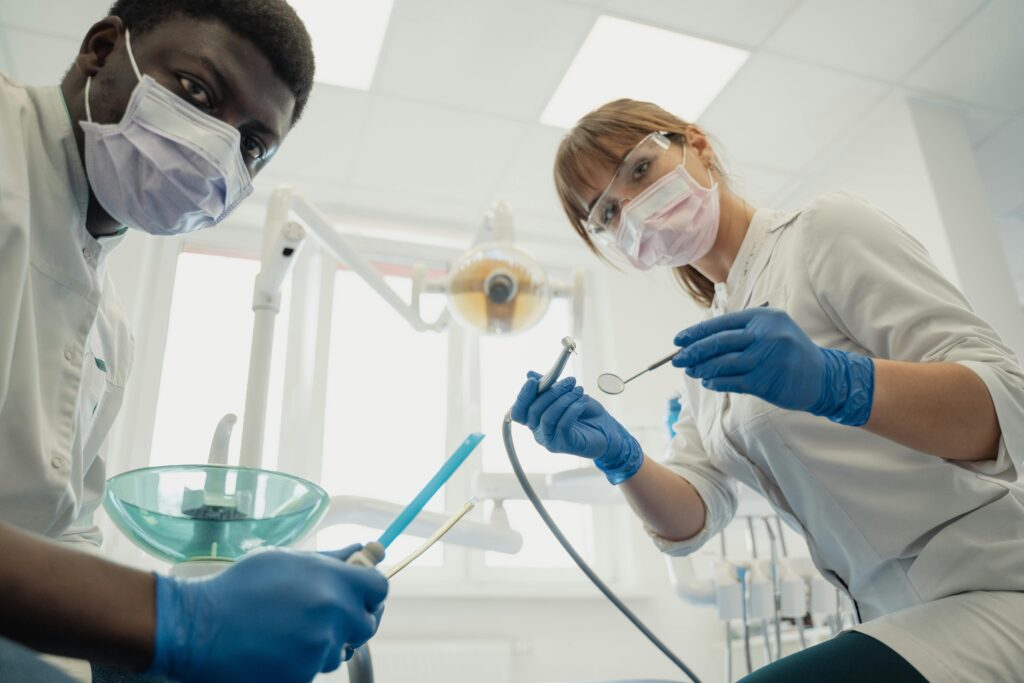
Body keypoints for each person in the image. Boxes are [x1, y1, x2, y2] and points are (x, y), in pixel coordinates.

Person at [513, 98, 1024, 682]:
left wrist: (837, 382)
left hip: (993, 581)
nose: (632, 210)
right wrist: (619, 457)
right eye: (606, 213)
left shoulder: (822, 232)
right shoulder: (705, 346)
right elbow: (694, 515)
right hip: (887, 612)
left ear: (696, 146)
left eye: (638, 171)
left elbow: (1007, 403)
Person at [0, 2, 388, 681]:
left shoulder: (108, 332)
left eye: (252, 145)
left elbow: (64, 531)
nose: (218, 144)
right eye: (199, 92)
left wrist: (178, 635)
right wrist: (175, 618)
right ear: (101, 49)